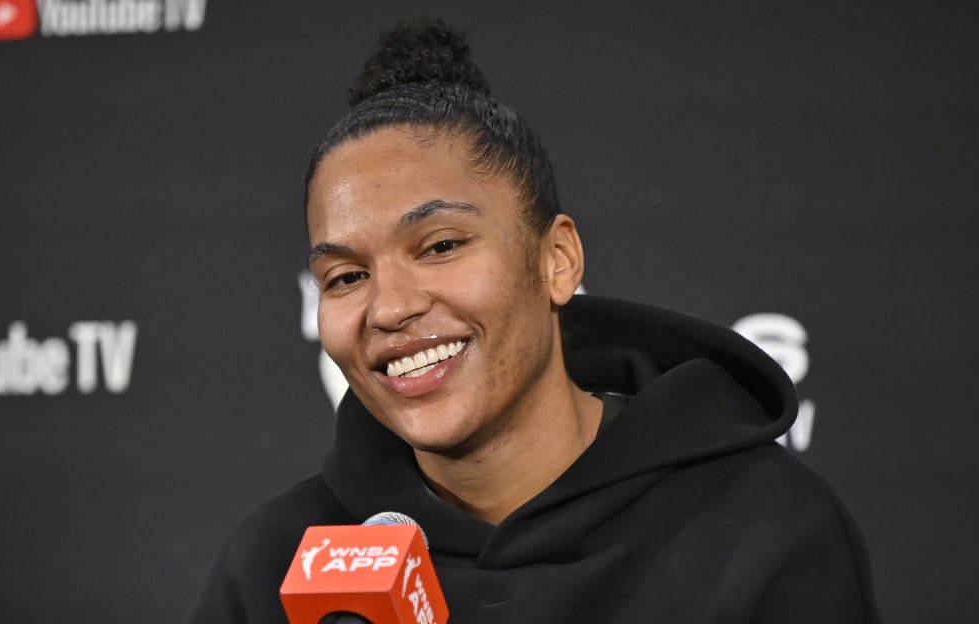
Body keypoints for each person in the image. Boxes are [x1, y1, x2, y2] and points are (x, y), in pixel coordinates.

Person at [188, 20, 880, 624]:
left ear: (558, 261)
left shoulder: (761, 532)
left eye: (440, 246)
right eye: (345, 277)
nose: (390, 307)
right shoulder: (276, 564)